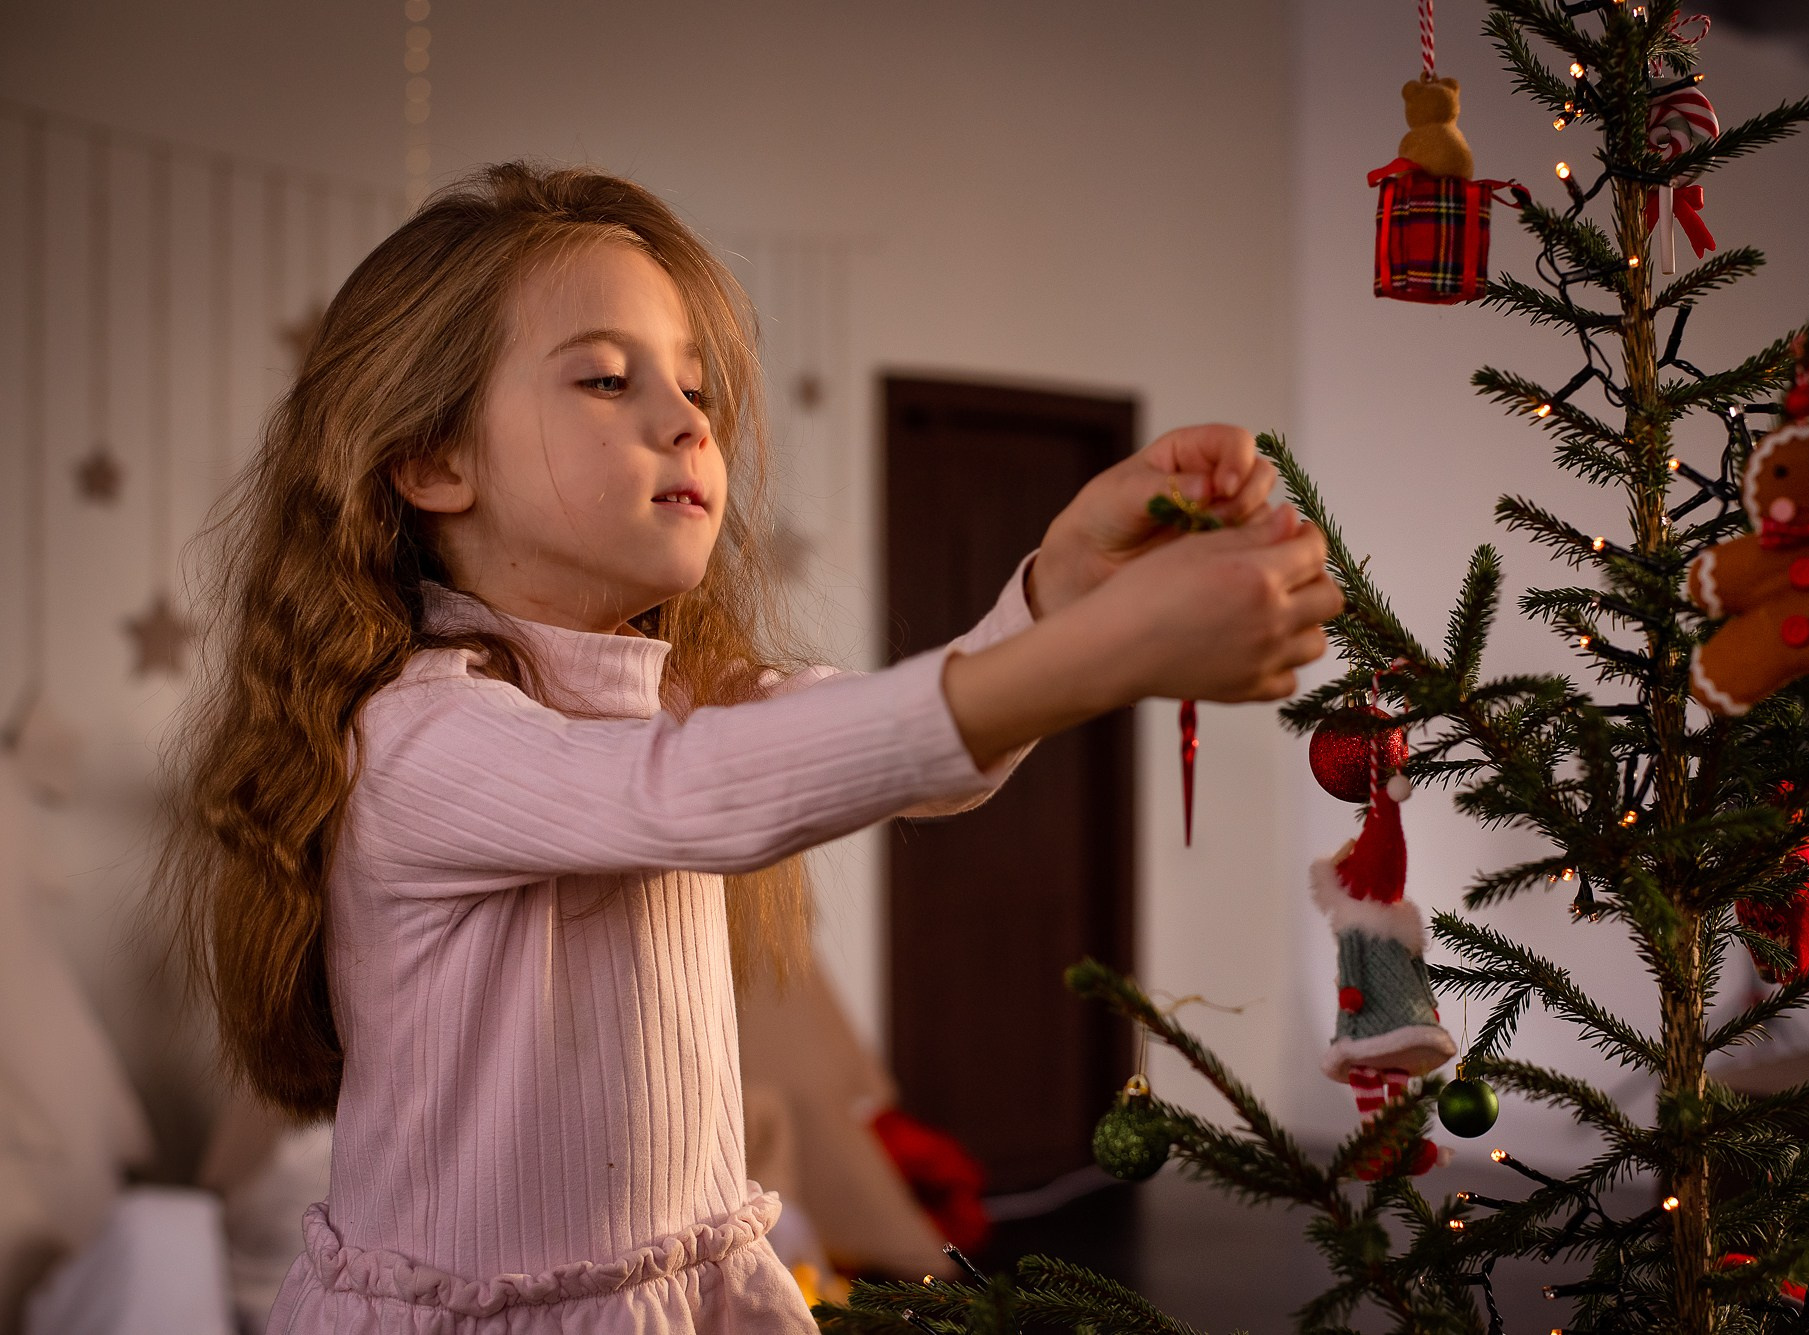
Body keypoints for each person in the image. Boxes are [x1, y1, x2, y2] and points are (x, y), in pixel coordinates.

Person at [157, 161, 1344, 1334]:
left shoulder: (673, 691)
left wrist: (1062, 594)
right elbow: (690, 794)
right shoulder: (419, 735)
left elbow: (894, 745)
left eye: (693, 386)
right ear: (431, 461)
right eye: (606, 380)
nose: (683, 419)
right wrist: (1111, 654)